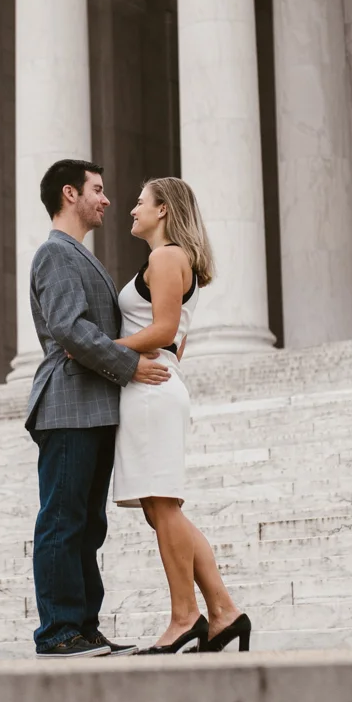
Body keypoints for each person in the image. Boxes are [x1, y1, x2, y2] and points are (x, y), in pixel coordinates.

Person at [24, 158, 170, 658]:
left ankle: (84, 626)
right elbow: (69, 328)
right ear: (70, 194)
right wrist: (128, 364)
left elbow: (87, 333)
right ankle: (58, 631)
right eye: (99, 190)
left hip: (95, 405)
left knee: (89, 525)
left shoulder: (81, 256)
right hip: (67, 404)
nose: (108, 200)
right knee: (63, 521)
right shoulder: (55, 254)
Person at [111, 177, 251, 654]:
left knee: (163, 506)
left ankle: (184, 616)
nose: (132, 209)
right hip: (152, 387)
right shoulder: (169, 260)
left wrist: (104, 349)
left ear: (164, 210)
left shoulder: (166, 257)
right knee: (160, 509)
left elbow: (167, 330)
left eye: (139, 201)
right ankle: (224, 612)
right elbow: (178, 340)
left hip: (152, 393)